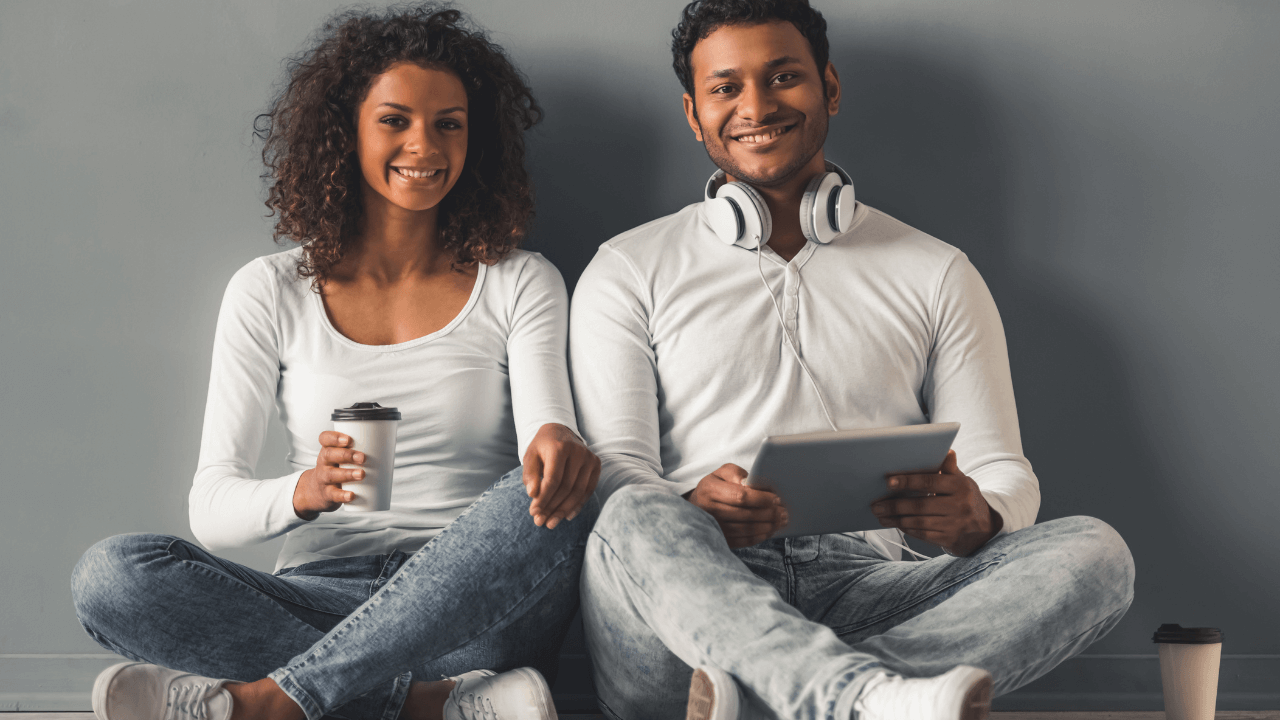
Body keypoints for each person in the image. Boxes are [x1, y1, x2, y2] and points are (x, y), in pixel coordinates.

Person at [567, 1, 1135, 719]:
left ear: (829, 88)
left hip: (863, 585)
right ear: (693, 112)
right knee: (633, 512)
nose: (756, 106)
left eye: (783, 77)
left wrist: (979, 519)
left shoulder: (936, 272)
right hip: (686, 596)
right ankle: (860, 698)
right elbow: (615, 468)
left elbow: (1003, 472)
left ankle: (805, 698)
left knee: (1097, 553)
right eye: (726, 88)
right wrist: (691, 507)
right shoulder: (626, 268)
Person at [70, 6, 599, 720]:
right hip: (320, 591)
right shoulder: (269, 289)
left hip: (469, 604)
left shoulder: (518, 280)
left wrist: (557, 445)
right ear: (344, 130)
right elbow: (213, 510)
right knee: (112, 576)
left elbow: (547, 444)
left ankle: (279, 702)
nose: (425, 144)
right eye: (395, 120)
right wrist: (303, 492)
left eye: (449, 122)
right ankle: (427, 706)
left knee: (554, 499)